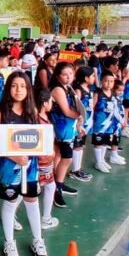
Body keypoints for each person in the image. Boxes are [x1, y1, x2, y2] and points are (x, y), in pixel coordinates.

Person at [0, 71, 49, 256]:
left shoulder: (33, 111)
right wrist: (11, 155)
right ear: (8, 88)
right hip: (9, 168)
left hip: (30, 167)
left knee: (32, 199)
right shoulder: (1, 112)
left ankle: (38, 240)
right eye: (14, 85)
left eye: (22, 86)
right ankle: (9, 243)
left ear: (28, 89)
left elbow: (39, 137)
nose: (19, 90)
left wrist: (44, 151)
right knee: (11, 201)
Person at [49, 62, 81, 207]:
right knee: (67, 158)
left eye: (71, 74)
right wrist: (81, 115)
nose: (68, 77)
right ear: (57, 76)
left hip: (69, 127)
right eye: (64, 74)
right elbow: (67, 111)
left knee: (60, 155)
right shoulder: (58, 90)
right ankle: (57, 189)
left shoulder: (68, 88)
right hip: (62, 129)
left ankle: (58, 183)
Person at [35, 89, 59, 230]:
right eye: (50, 101)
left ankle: (12, 214)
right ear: (44, 103)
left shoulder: (38, 118)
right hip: (43, 161)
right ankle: (46, 218)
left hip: (42, 161)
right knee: (49, 186)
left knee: (28, 188)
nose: (52, 103)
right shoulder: (41, 122)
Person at [70, 66, 95, 182]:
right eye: (93, 76)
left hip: (87, 123)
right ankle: (75, 171)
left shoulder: (89, 89)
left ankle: (78, 169)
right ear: (86, 78)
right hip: (80, 124)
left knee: (81, 147)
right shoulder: (79, 90)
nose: (94, 78)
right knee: (77, 146)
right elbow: (76, 107)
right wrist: (78, 125)